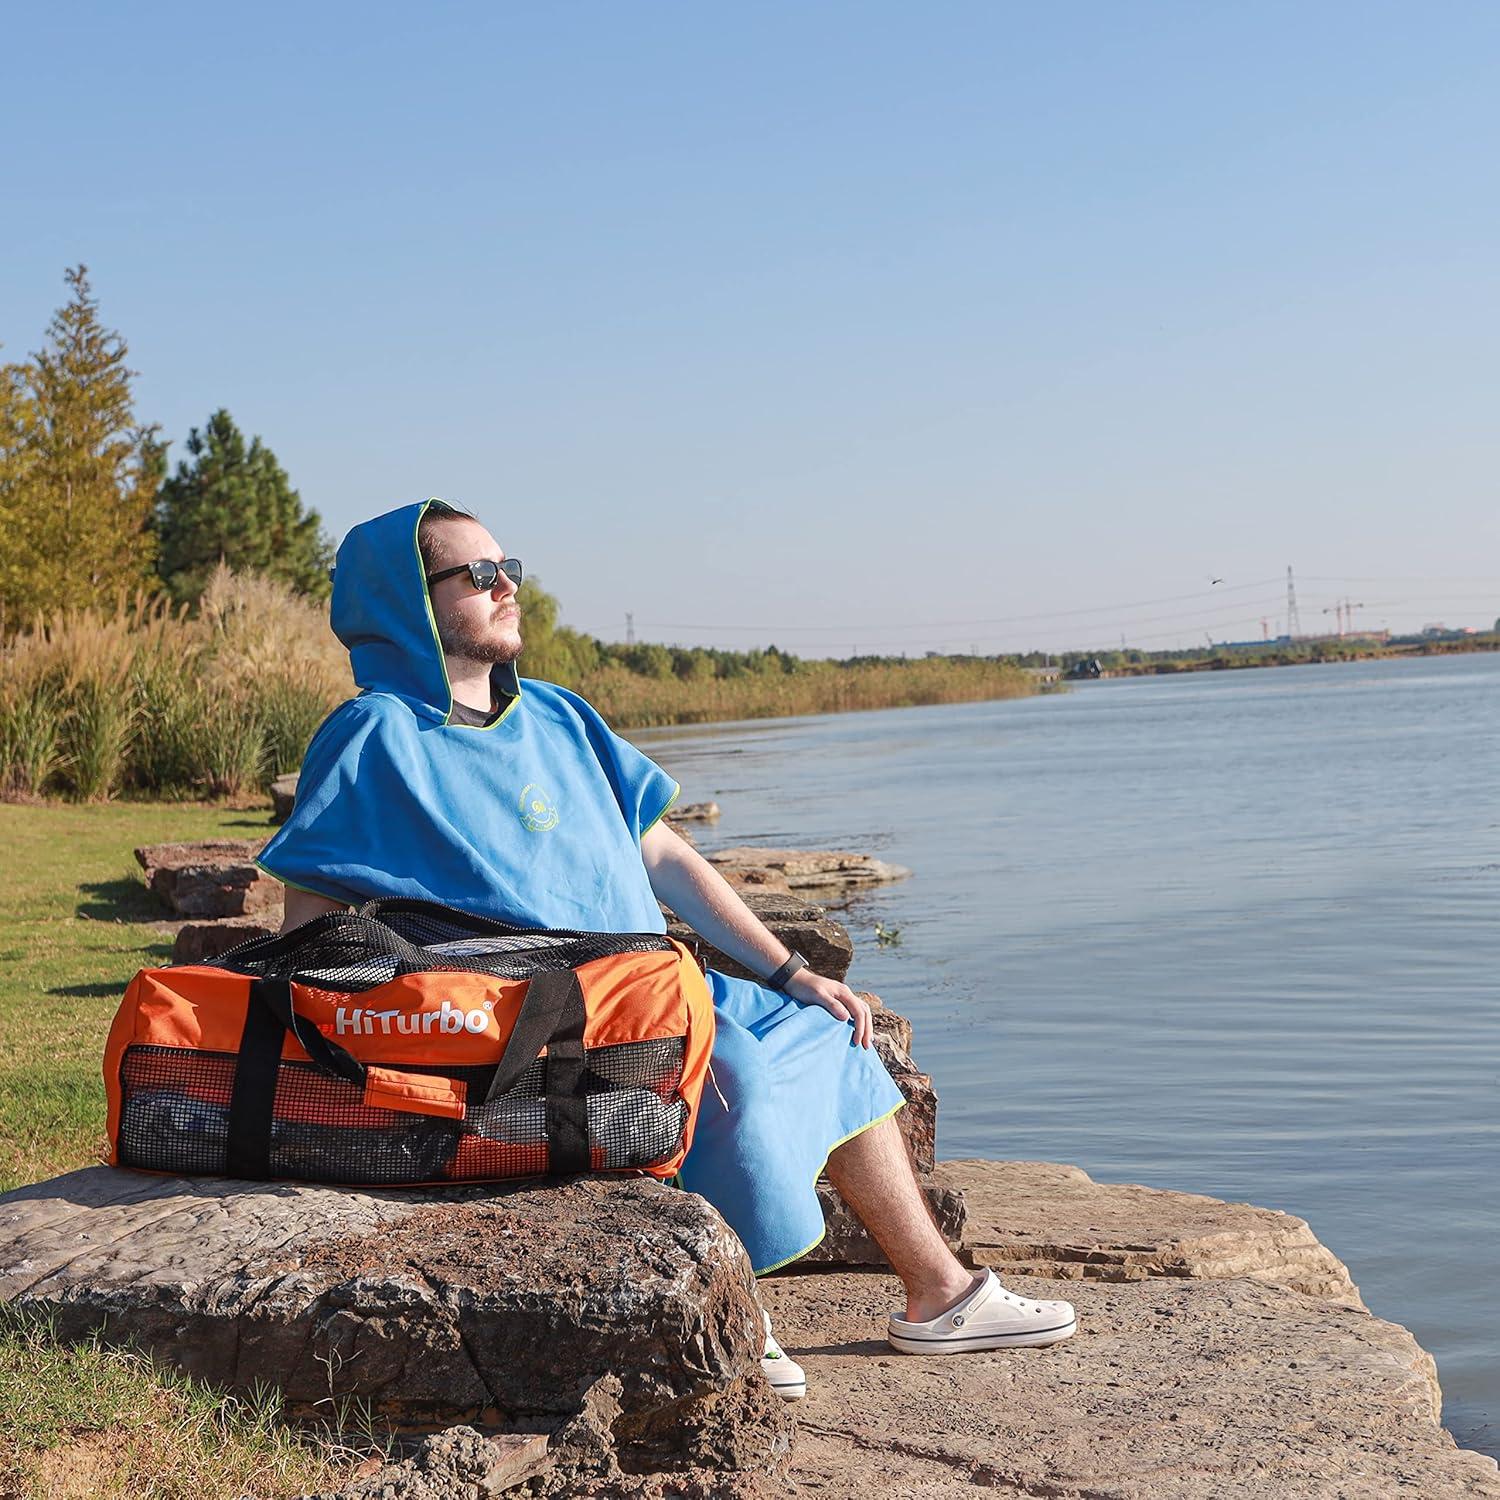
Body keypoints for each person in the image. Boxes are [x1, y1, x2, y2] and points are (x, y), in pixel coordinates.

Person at [257, 498, 1076, 1399]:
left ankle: (941, 1295)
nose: (506, 588)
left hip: (659, 986)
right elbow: (315, 915)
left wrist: (789, 970)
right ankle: (728, 1315)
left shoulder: (564, 718)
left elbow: (665, 855)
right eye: (477, 575)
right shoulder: (374, 734)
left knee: (830, 1029)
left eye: (509, 569)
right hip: (544, 1018)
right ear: (409, 600)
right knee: (736, 1075)